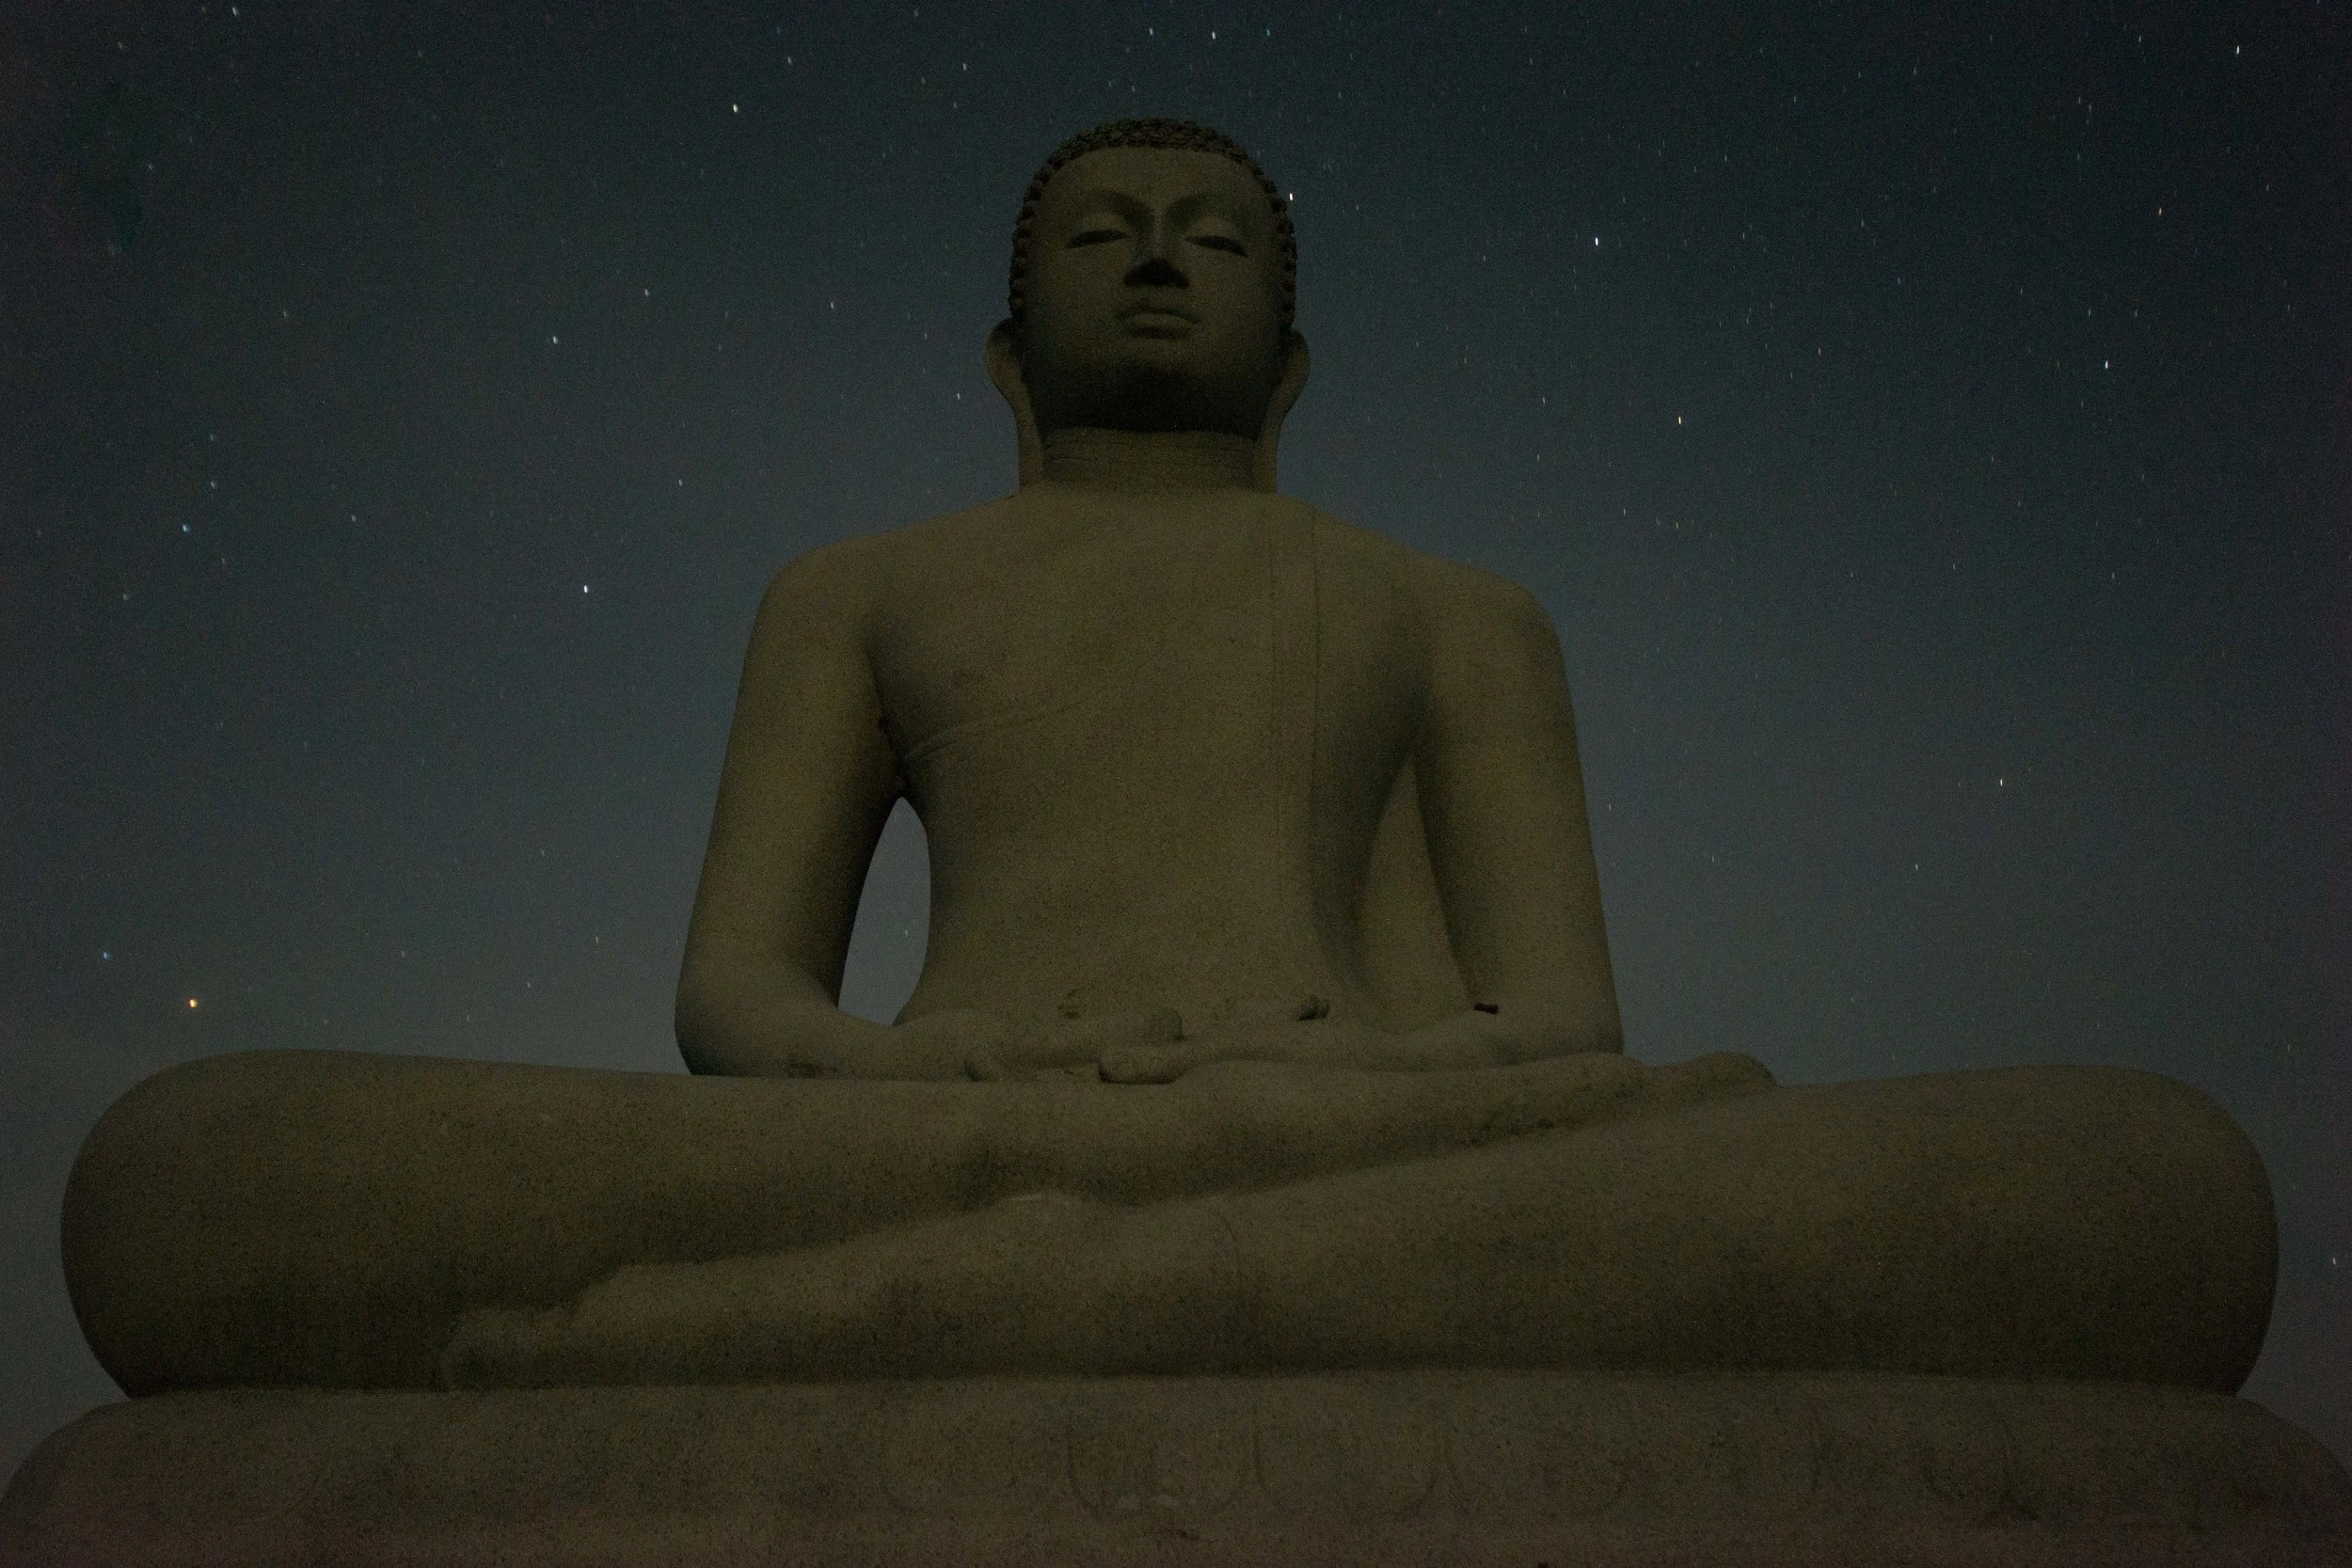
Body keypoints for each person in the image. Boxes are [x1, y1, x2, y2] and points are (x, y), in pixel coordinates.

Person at [61, 120, 2276, 1400]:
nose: (1148, 259)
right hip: (933, 1135)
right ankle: (1121, 1269)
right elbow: (736, 999)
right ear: (1002, 354)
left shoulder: (1449, 609)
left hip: (1360, 1131)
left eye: (1207, 241)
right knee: (193, 1174)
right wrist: (927, 1085)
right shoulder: (854, 589)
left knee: (2133, 1183)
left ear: (1286, 364)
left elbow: (1561, 1026)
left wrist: (1304, 1099)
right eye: (1097, 235)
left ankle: (908, 1303)